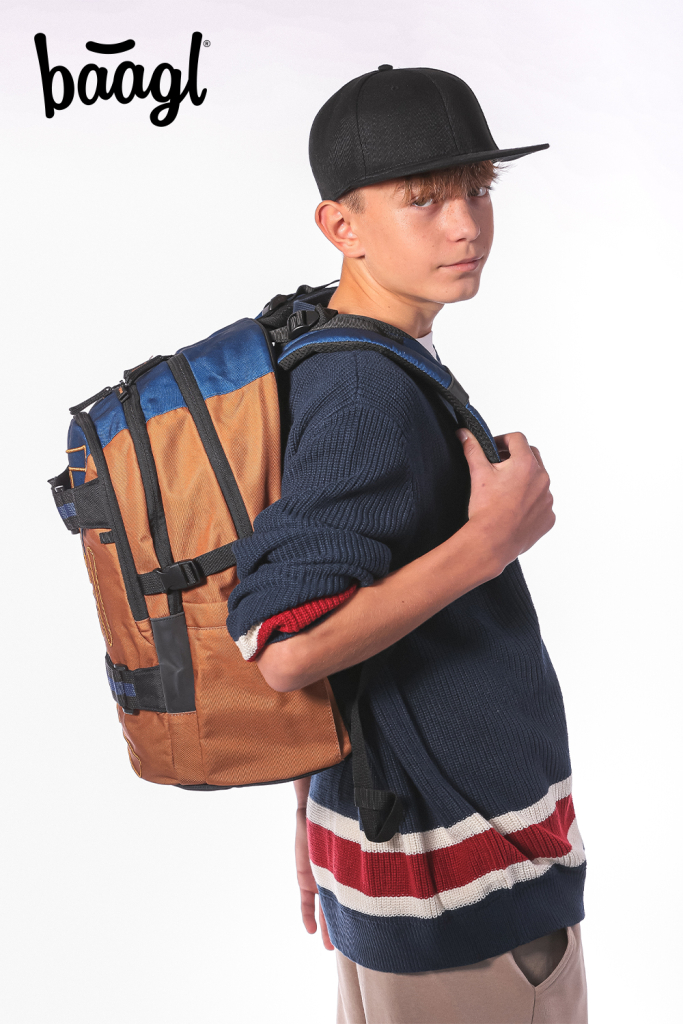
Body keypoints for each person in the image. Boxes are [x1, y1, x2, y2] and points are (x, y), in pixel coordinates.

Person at [226, 66, 588, 1024]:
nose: (466, 225)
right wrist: (488, 542)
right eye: (423, 200)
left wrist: (310, 805)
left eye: (477, 189)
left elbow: (326, 588)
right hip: (458, 884)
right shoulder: (364, 393)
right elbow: (285, 644)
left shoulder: (353, 349)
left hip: (401, 854)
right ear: (340, 227)